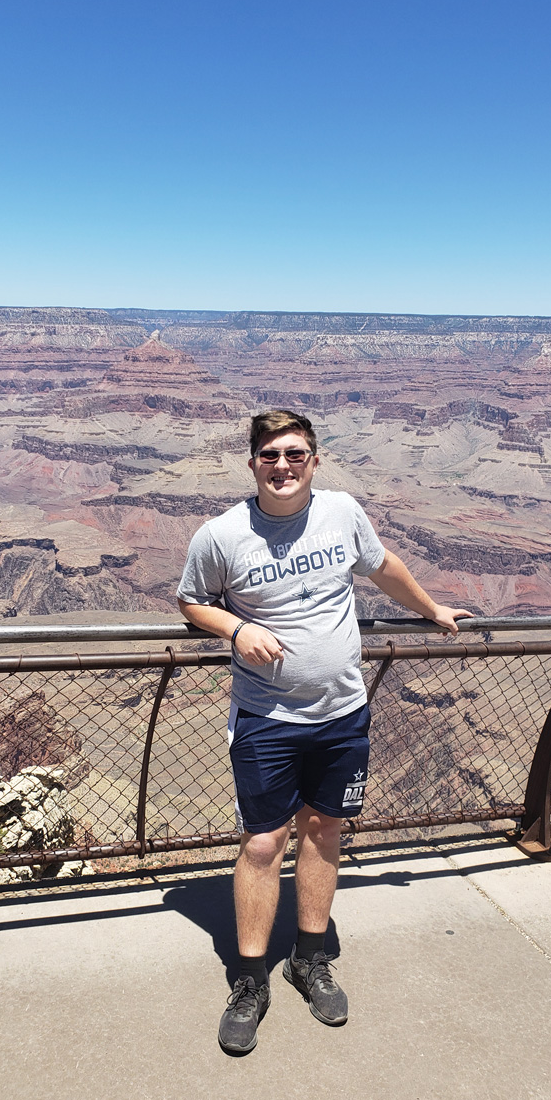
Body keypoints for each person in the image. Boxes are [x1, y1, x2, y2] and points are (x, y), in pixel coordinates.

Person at [177, 409, 471, 1053]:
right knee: (263, 844)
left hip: (343, 713)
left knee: (324, 829)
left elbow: (382, 564)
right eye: (270, 455)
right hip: (268, 719)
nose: (283, 466)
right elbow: (191, 599)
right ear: (251, 462)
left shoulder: (342, 512)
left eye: (295, 454)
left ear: (315, 459)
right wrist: (236, 627)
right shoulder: (222, 534)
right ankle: (250, 980)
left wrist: (432, 609)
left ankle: (308, 959)